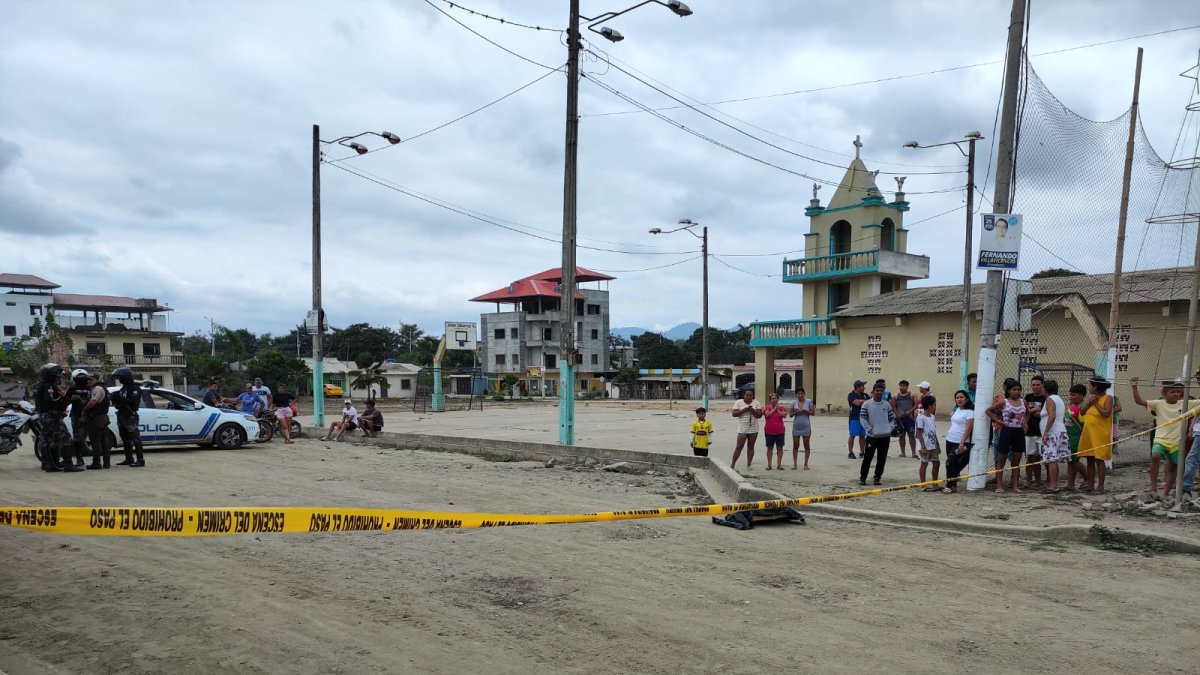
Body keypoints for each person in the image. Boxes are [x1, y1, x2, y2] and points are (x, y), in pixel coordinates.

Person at [1130, 377, 1185, 497]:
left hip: (1176, 441)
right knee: (1155, 456)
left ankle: (1165, 493)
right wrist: (1134, 386)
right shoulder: (1158, 404)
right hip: (1161, 439)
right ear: (1164, 394)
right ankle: (1153, 489)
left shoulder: (1185, 404)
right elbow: (1139, 401)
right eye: (1172, 392)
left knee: (1173, 466)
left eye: (1177, 391)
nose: (1176, 394)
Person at [34, 363, 80, 473]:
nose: (59, 376)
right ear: (51, 374)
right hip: (52, 415)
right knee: (66, 438)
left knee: (48, 439)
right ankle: (68, 464)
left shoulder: (42, 385)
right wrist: (66, 398)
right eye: (57, 373)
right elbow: (52, 401)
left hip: (45, 415)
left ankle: (49, 464)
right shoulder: (49, 386)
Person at [986, 378, 1026, 493]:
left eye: (1019, 389)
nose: (1017, 392)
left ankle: (1015, 486)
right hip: (1006, 431)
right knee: (1001, 459)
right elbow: (988, 411)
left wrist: (1025, 422)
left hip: (1019, 432)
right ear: (1008, 391)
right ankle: (999, 485)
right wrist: (997, 420)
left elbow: (1027, 413)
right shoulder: (1004, 402)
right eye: (1014, 389)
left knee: (1016, 460)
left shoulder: (1023, 402)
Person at [1076, 377, 1114, 493]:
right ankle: (1090, 485)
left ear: (1096, 387)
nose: (1089, 388)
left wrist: (1096, 403)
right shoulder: (1091, 397)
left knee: (1099, 459)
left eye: (1090, 385)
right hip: (1088, 433)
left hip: (1100, 433)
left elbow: (1106, 413)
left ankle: (1100, 486)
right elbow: (1082, 412)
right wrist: (1088, 403)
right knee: (1090, 458)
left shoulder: (1108, 398)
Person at [858, 382, 896, 486]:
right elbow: (863, 418)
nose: (879, 392)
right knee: (867, 458)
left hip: (885, 436)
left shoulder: (886, 405)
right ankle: (863, 478)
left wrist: (890, 428)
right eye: (877, 390)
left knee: (882, 459)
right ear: (873, 391)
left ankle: (877, 478)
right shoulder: (867, 404)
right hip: (872, 436)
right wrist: (869, 429)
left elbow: (892, 418)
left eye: (881, 391)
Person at [110, 367, 145, 467]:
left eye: (121, 378)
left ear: (126, 377)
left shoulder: (135, 388)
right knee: (125, 438)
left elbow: (133, 402)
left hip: (130, 416)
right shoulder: (123, 388)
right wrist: (114, 397)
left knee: (135, 438)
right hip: (121, 415)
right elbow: (119, 401)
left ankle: (140, 460)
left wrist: (120, 397)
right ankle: (129, 458)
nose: (119, 380)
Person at [1038, 380, 1068, 493]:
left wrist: (1046, 432)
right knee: (1053, 460)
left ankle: (1053, 486)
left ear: (1045, 388)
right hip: (1059, 432)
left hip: (1053, 433)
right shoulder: (1058, 399)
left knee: (1051, 460)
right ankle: (1053, 484)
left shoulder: (1050, 399)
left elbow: (1052, 416)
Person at [942, 391, 974, 493]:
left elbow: (968, 428)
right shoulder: (957, 410)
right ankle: (954, 486)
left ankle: (948, 486)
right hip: (950, 439)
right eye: (957, 397)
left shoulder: (970, 412)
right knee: (953, 463)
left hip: (960, 441)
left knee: (950, 463)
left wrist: (962, 443)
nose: (959, 399)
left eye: (961, 397)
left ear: (967, 399)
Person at [79, 371, 112, 469]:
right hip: (102, 418)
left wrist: (84, 409)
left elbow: (93, 402)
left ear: (97, 380)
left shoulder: (97, 388)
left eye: (91, 379)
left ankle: (96, 463)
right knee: (104, 441)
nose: (89, 381)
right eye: (88, 379)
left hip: (97, 418)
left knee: (96, 441)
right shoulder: (103, 388)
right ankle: (106, 463)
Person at [1063, 384, 1088, 491]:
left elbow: (1084, 424)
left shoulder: (1083, 408)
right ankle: (1070, 483)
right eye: (1070, 394)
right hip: (1068, 437)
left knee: (1074, 460)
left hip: (1076, 438)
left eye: (1074, 395)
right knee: (1070, 461)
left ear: (1082, 396)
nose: (1071, 397)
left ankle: (1088, 479)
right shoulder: (1071, 406)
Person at [1023, 375, 1047, 489]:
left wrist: (1033, 412)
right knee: (1030, 457)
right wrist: (1035, 411)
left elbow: (1044, 414)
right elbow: (1025, 412)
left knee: (1043, 458)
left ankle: (1040, 480)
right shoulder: (1028, 397)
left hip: (1042, 432)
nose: (1035, 387)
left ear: (1042, 385)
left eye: (1038, 385)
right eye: (1033, 385)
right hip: (1030, 432)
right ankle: (1028, 481)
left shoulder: (1046, 398)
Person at [66, 368, 92, 468]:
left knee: (91, 437)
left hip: (88, 415)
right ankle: (79, 459)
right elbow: (66, 399)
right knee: (77, 438)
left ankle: (95, 460)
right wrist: (71, 399)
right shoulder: (72, 388)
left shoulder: (90, 388)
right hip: (76, 415)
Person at [730, 388, 762, 469]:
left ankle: (749, 465)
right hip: (742, 429)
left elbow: (759, 415)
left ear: (753, 396)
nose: (749, 397)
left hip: (754, 429)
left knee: (751, 447)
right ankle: (733, 464)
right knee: (738, 447)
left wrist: (752, 410)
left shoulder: (756, 402)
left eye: (751, 395)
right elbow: (734, 414)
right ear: (743, 395)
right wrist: (744, 410)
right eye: (747, 395)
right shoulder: (738, 402)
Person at [916, 395, 941, 490]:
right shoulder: (921, 418)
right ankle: (923, 485)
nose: (935, 407)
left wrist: (937, 445)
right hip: (925, 446)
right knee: (924, 463)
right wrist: (923, 447)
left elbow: (933, 432)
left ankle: (935, 484)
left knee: (936, 463)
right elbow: (919, 433)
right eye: (934, 405)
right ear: (929, 406)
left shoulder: (932, 417)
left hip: (932, 445)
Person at [789, 388, 813, 470]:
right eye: (798, 394)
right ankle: (795, 464)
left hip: (806, 426)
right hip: (796, 426)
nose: (800, 395)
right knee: (795, 445)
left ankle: (806, 464)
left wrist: (806, 410)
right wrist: (795, 412)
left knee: (806, 445)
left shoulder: (808, 402)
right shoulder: (793, 403)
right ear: (796, 395)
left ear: (804, 394)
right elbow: (790, 415)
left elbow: (813, 413)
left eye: (802, 393)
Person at [762, 393, 788, 470]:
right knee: (769, 448)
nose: (774, 400)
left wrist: (777, 410)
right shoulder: (767, 407)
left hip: (780, 431)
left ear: (778, 399)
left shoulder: (781, 408)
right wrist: (774, 410)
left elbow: (784, 415)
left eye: (775, 398)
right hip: (769, 431)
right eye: (772, 398)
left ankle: (779, 464)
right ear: (770, 400)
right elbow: (767, 415)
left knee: (780, 448)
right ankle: (769, 465)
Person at [893, 380, 917, 457]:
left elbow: (916, 404)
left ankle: (913, 453)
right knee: (901, 436)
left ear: (907, 387)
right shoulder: (896, 396)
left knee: (911, 436)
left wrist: (910, 411)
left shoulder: (912, 395)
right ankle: (902, 452)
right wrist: (897, 414)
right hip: (900, 419)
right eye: (901, 386)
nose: (902, 387)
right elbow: (893, 406)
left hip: (910, 419)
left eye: (904, 386)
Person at [846, 380, 869, 459]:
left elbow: (870, 402)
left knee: (862, 435)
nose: (864, 388)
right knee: (852, 435)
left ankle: (862, 452)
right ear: (857, 387)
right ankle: (850, 452)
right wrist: (864, 402)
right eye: (862, 386)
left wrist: (861, 401)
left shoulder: (865, 395)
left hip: (864, 418)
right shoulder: (851, 395)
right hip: (855, 418)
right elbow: (857, 403)